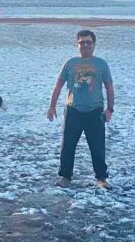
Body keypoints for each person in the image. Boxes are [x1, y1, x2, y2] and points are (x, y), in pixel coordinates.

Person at [47, 29, 114, 189]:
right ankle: (65, 177)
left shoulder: (101, 64)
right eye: (82, 42)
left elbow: (109, 87)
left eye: (88, 42)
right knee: (68, 145)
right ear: (77, 44)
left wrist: (110, 109)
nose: (85, 45)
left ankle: (101, 178)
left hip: (95, 111)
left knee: (97, 146)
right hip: (73, 110)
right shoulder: (70, 63)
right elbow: (58, 85)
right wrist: (52, 106)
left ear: (94, 44)